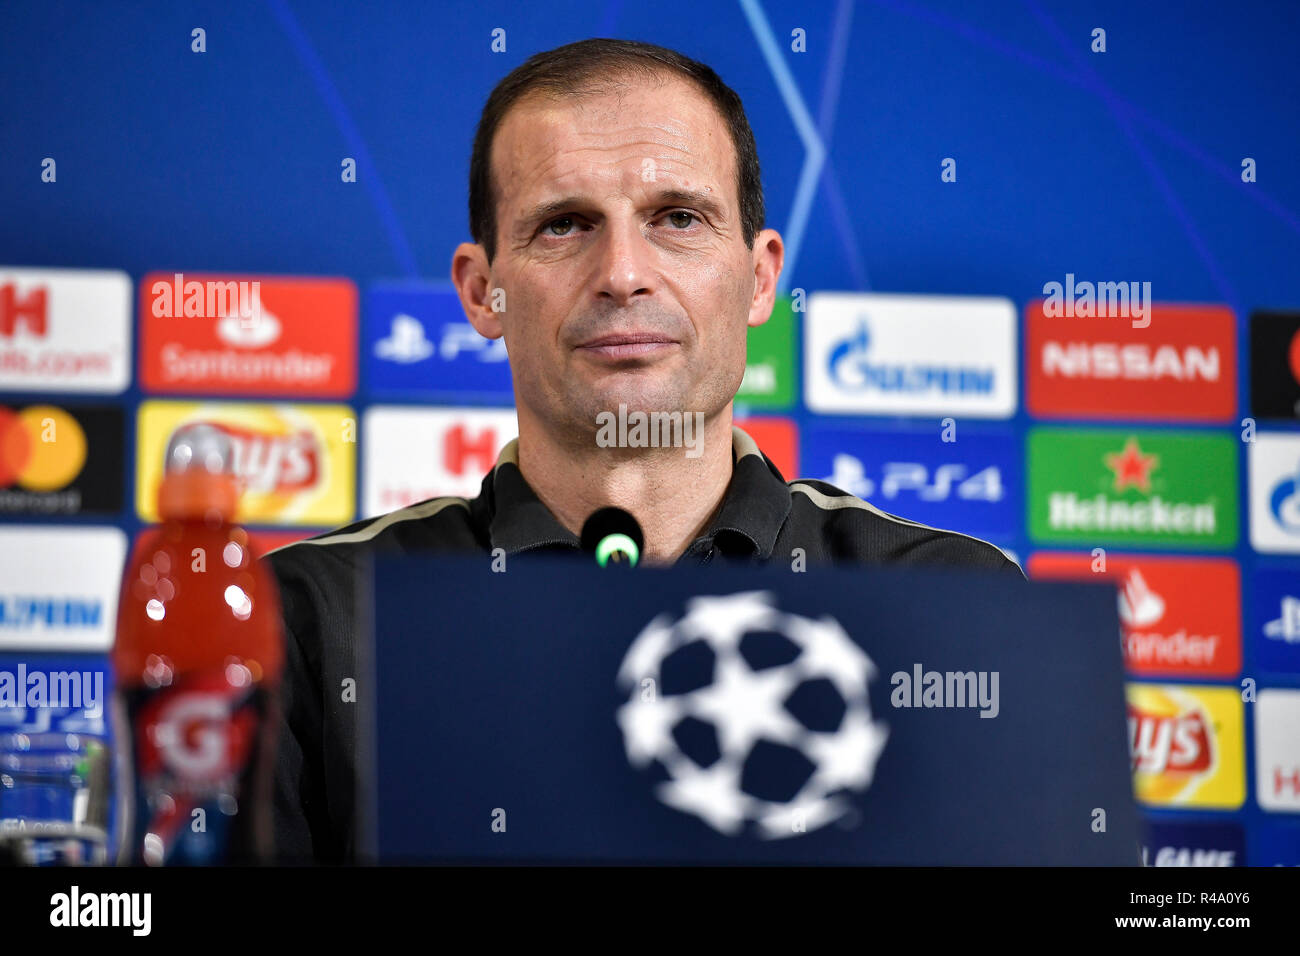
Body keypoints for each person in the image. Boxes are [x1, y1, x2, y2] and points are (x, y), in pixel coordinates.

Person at [265, 37, 1023, 863]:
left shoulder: (954, 603)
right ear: (483, 292)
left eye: (678, 219)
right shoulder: (309, 616)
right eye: (563, 225)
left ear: (761, 277)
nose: (623, 272)